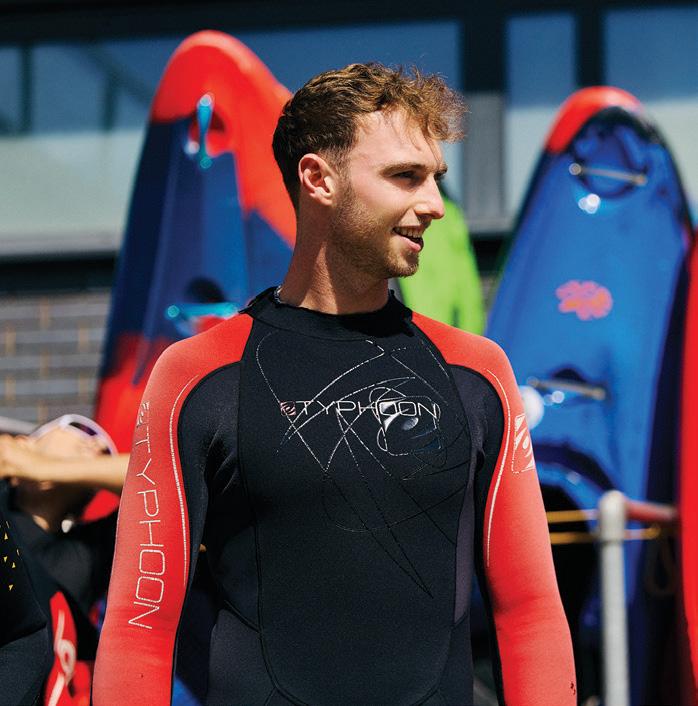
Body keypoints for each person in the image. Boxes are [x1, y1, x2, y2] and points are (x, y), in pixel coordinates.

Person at [93, 63, 576, 705]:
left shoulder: (476, 372)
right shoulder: (198, 375)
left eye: (436, 178)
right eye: (405, 176)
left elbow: (531, 611)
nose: (434, 204)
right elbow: (139, 625)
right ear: (318, 179)